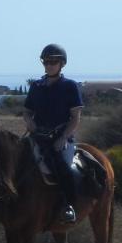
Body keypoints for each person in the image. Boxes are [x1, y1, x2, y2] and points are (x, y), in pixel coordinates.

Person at [23, 43, 83, 224]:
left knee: (63, 168)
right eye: (46, 62)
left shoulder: (70, 87)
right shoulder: (37, 86)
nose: (49, 65)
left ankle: (68, 205)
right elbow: (27, 111)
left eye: (53, 62)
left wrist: (64, 137)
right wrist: (30, 122)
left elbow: (75, 117)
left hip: (60, 138)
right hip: (37, 136)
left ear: (61, 64)